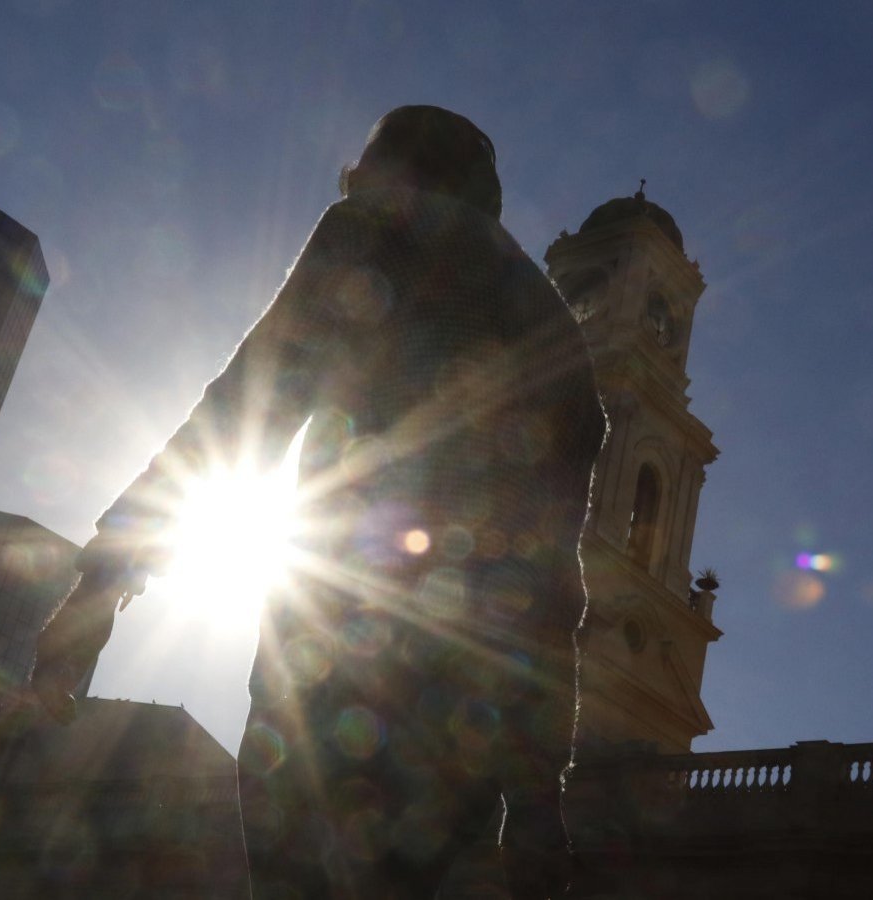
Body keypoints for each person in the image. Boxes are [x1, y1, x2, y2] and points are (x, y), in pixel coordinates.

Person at [33, 105, 605, 899]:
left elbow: (247, 406)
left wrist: (105, 576)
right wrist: (538, 794)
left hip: (333, 656)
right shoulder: (561, 341)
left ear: (389, 170)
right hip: (470, 714)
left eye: (362, 170)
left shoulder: (379, 227)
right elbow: (551, 591)